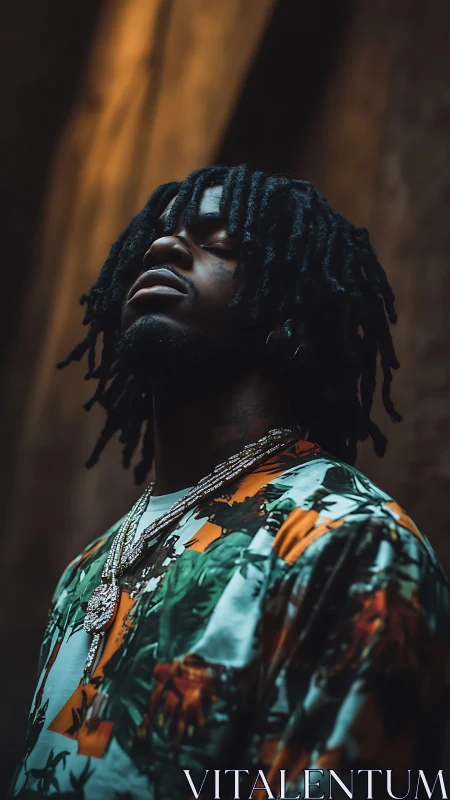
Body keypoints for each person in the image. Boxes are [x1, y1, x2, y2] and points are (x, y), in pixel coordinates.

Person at [9, 165, 450, 800]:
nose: (164, 247)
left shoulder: (350, 544)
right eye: (160, 237)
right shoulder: (88, 569)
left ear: (288, 312)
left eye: (221, 243)